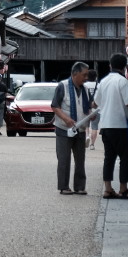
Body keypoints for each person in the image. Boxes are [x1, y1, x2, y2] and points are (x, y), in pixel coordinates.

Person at [92, 53, 128, 200]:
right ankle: (123, 189)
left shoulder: (103, 81)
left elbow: (95, 103)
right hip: (120, 125)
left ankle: (108, 189)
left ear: (110, 65)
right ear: (125, 67)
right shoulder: (123, 81)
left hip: (105, 126)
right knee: (126, 157)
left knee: (109, 158)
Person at [50, 61, 93, 195]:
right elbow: (55, 106)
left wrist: (92, 115)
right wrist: (66, 118)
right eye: (84, 75)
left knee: (80, 160)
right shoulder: (62, 86)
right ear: (75, 74)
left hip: (80, 129)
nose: (86, 78)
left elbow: (89, 107)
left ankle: (79, 187)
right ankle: (64, 186)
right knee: (64, 159)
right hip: (64, 129)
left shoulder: (86, 89)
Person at [83, 69, 99, 149]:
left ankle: (87, 136)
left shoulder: (84, 85)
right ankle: (92, 144)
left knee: (86, 125)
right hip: (96, 108)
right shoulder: (99, 85)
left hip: (86, 108)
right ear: (96, 77)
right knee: (95, 127)